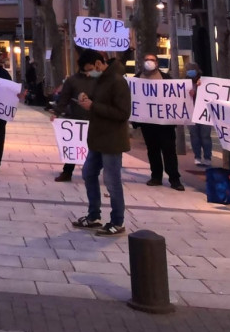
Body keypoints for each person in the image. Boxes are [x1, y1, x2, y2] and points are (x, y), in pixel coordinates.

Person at [72, 50, 130, 237]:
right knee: (88, 172)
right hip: (97, 138)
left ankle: (117, 221)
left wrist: (93, 106)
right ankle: (93, 216)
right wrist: (86, 99)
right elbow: (98, 102)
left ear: (98, 64)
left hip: (112, 139)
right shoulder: (101, 80)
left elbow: (122, 113)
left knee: (112, 181)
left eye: (89, 70)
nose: (88, 74)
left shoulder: (117, 81)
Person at [137, 53, 183, 191]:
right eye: (147, 60)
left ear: (157, 63)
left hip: (165, 123)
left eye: (152, 60)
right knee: (153, 150)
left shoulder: (166, 78)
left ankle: (174, 179)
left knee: (169, 150)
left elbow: (177, 95)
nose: (149, 62)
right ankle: (156, 176)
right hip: (147, 123)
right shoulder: (137, 79)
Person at [52, 51, 96, 182]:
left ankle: (92, 172)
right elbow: (64, 98)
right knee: (74, 147)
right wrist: (57, 112)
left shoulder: (99, 79)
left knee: (94, 148)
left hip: (95, 118)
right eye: (90, 65)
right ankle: (67, 171)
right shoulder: (73, 80)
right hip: (77, 118)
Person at [185, 64, 213, 167]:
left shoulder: (205, 82)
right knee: (194, 136)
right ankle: (197, 156)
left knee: (205, 136)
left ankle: (207, 157)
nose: (190, 72)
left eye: (192, 70)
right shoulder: (185, 83)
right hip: (191, 112)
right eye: (188, 70)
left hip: (204, 113)